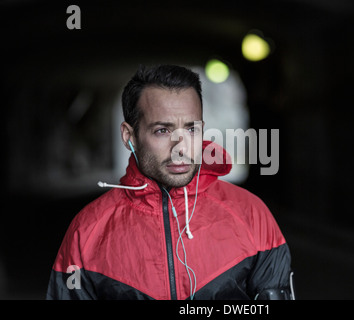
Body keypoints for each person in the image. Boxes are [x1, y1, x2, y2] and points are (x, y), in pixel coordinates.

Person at [46, 64, 294, 300]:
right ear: (129, 136)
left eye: (191, 129)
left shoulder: (252, 216)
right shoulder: (87, 231)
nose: (181, 147)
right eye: (162, 130)